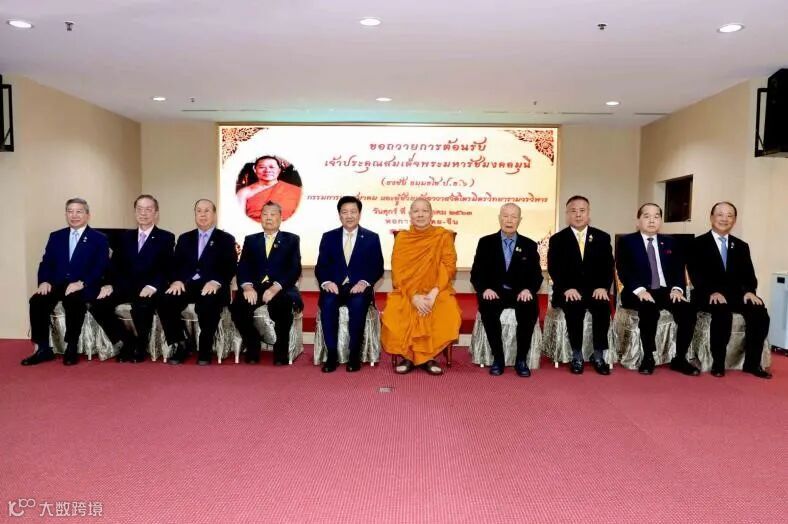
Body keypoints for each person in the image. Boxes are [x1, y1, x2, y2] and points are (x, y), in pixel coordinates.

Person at [687, 202, 771, 379]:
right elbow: (696, 275)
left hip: (735, 295)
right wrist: (711, 292)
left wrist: (749, 291)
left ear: (734, 220)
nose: (725, 219)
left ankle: (752, 364)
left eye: (729, 215)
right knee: (722, 312)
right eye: (720, 214)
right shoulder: (697, 244)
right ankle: (718, 363)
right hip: (706, 294)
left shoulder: (741, 246)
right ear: (712, 218)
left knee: (760, 312)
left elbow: (749, 275)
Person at [22, 198, 110, 366]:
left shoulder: (99, 238)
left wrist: (82, 283)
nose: (74, 215)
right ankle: (42, 348)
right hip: (58, 283)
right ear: (66, 214)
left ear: (87, 215)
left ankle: (71, 346)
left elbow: (101, 267)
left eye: (79, 211)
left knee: (74, 300)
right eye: (70, 211)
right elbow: (46, 262)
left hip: (84, 284)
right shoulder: (56, 236)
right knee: (37, 301)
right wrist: (44, 281)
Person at [616, 203, 699, 376]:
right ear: (638, 221)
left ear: (660, 220)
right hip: (636, 291)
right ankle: (648, 357)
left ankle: (680, 359)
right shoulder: (627, 242)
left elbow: (677, 269)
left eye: (656, 216)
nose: (652, 220)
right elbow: (624, 270)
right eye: (647, 216)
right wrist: (640, 290)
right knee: (648, 309)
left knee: (688, 310)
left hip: (665, 291)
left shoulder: (670, 242)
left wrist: (677, 289)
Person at [381, 198, 461, 375]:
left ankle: (428, 357)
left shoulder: (443, 236)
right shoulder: (403, 238)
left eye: (425, 211)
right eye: (416, 211)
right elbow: (398, 271)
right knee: (396, 310)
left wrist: (433, 293)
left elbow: (449, 267)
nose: (420, 214)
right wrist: (413, 296)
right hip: (407, 291)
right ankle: (409, 357)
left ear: (431, 214)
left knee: (447, 309)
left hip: (437, 290)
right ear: (410, 215)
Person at [91, 195, 175, 363]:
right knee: (98, 304)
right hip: (125, 286)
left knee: (141, 307)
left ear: (156, 213)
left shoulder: (166, 237)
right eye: (140, 209)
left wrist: (153, 286)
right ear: (135, 212)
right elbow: (114, 265)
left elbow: (167, 268)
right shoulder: (124, 237)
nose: (143, 213)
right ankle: (127, 342)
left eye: (148, 209)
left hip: (149, 288)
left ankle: (140, 347)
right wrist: (109, 284)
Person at [158, 199, 237, 365]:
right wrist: (177, 280)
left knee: (208, 302)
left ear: (214, 214)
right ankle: (181, 344)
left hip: (214, 286)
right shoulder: (185, 238)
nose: (202, 214)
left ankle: (205, 348)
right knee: (165, 300)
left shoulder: (226, 239)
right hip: (187, 285)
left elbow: (230, 266)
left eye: (207, 211)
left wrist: (216, 281)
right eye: (199, 211)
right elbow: (175, 265)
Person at [470, 203, 543, 377]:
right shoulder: (486, 242)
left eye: (513, 216)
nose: (509, 220)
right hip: (494, 292)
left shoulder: (529, 245)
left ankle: (521, 359)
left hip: (520, 293)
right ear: (499, 218)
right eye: (505, 216)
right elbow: (476, 273)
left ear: (519, 220)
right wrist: (485, 289)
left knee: (529, 309)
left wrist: (528, 289)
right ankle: (498, 358)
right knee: (488, 309)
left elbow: (536, 275)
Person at [315, 196, 384, 373]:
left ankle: (354, 355)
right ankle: (331, 355)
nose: (349, 215)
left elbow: (377, 267)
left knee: (358, 303)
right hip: (335, 286)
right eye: (345, 212)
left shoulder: (371, 237)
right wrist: (326, 282)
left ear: (359, 214)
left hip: (359, 287)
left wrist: (364, 282)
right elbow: (321, 266)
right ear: (339, 215)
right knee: (328, 302)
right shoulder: (329, 237)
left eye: (353, 212)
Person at [547, 195, 613, 375]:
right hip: (568, 290)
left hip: (595, 290)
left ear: (588, 213)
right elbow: (554, 268)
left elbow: (608, 266)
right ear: (567, 214)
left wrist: (603, 287)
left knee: (602, 307)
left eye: (582, 211)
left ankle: (598, 355)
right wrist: (566, 288)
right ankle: (577, 355)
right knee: (574, 307)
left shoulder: (602, 237)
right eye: (573, 211)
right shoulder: (558, 239)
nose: (578, 215)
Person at [230, 201, 302, 365]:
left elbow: (294, 269)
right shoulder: (251, 240)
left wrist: (275, 288)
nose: (268, 218)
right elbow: (243, 267)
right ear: (260, 217)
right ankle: (253, 343)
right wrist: (247, 287)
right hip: (255, 287)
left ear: (280, 218)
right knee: (238, 307)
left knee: (283, 307)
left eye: (272, 214)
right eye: (265, 214)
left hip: (281, 287)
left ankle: (281, 353)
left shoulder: (291, 239)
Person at [237, 156, 302, 221]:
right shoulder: (244, 193)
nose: (267, 170)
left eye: (272, 167)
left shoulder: (295, 191)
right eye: (262, 167)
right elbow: (239, 219)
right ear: (255, 169)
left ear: (279, 170)